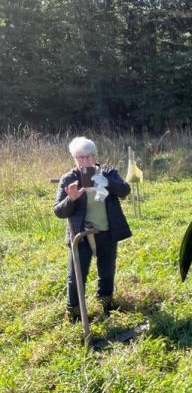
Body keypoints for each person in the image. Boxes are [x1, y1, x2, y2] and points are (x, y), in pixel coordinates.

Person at [53, 136, 132, 321]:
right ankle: (74, 313)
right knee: (76, 275)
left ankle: (105, 305)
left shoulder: (108, 171)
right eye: (81, 157)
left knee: (107, 271)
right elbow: (58, 211)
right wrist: (70, 199)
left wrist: (105, 180)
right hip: (81, 235)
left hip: (107, 232)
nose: (85, 161)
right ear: (74, 159)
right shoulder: (69, 178)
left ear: (95, 156)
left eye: (89, 156)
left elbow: (125, 190)